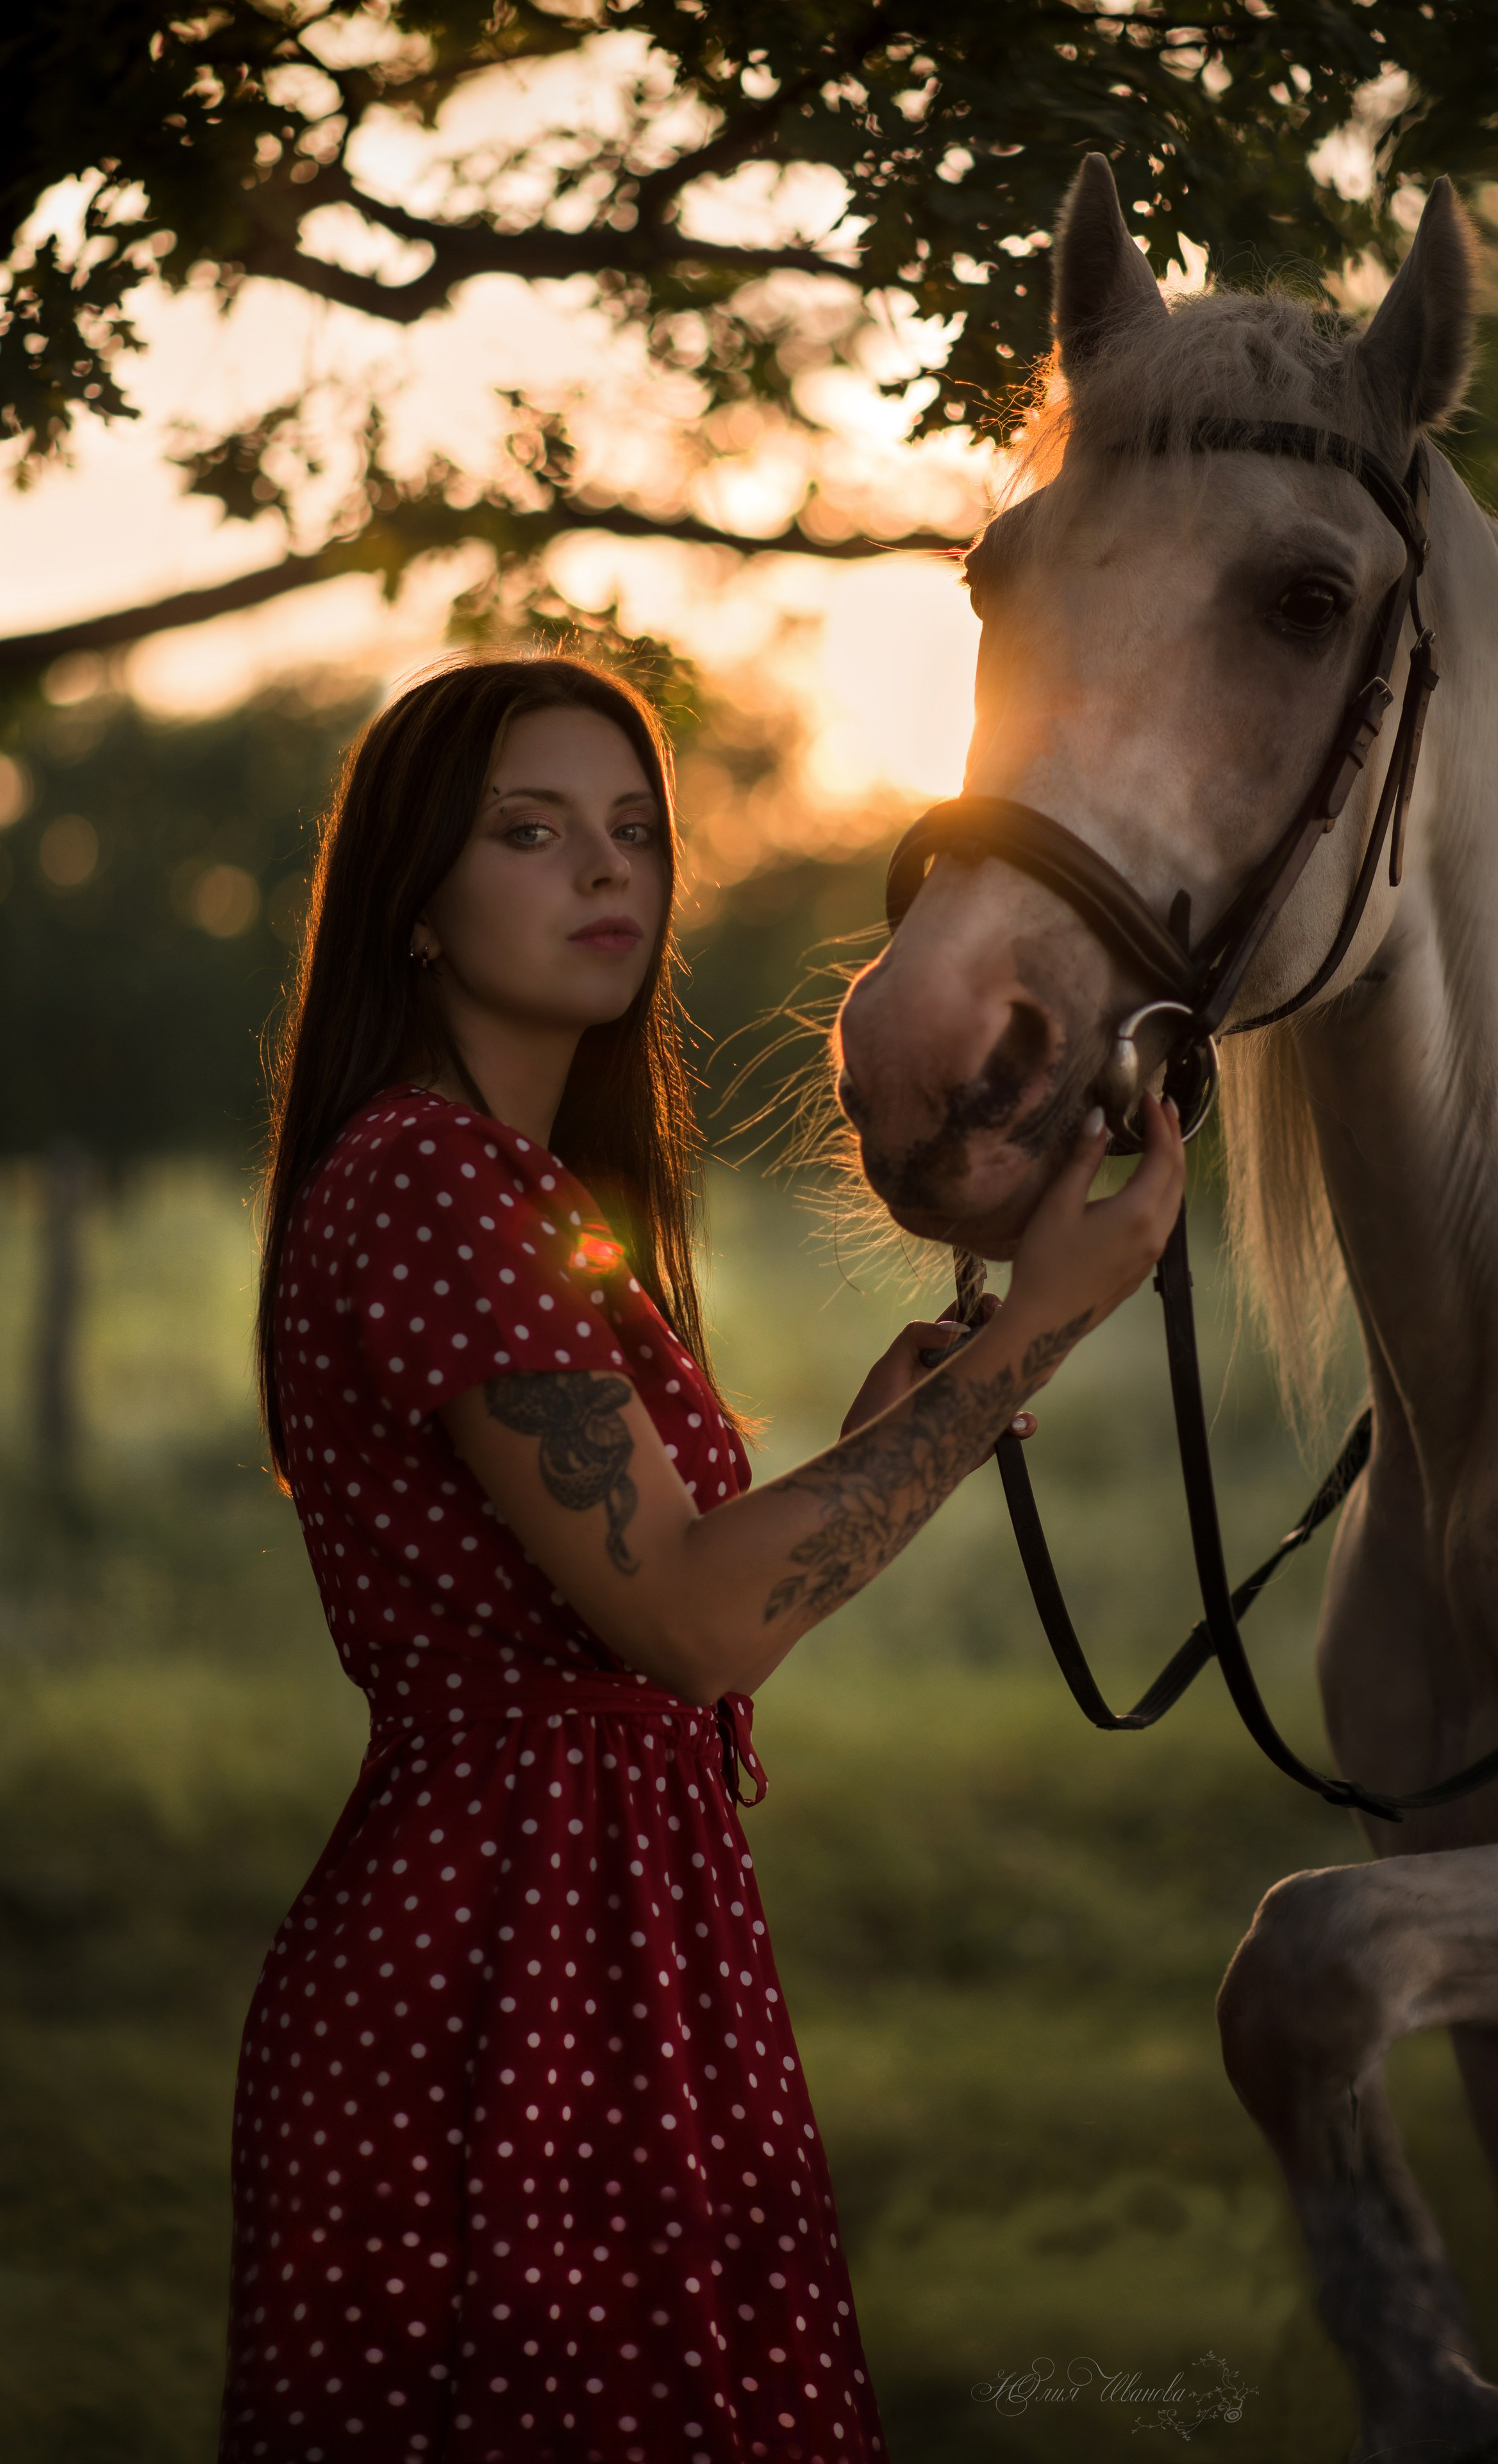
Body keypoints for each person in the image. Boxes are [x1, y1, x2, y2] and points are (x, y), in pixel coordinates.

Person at [225, 652, 1185, 2464]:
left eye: (632, 834)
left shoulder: (512, 1188)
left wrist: (916, 1419)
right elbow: (691, 1623)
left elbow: (669, 1601)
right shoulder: (434, 1181)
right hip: (497, 1975)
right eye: (530, 832)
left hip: (607, 1942)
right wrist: (1036, 1329)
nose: (607, 875)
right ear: (412, 908)